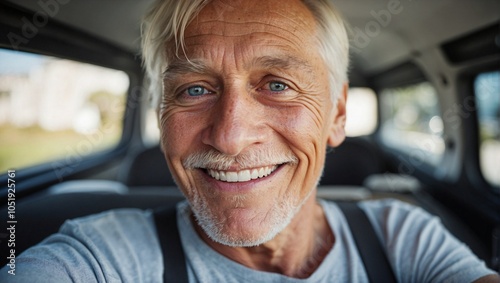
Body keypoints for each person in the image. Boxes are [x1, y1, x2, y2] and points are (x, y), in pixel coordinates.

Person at [1, 0, 499, 282]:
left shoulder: (402, 237)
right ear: (159, 113)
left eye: (277, 84)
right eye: (195, 89)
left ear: (337, 113)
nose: (231, 136)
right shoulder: (97, 257)